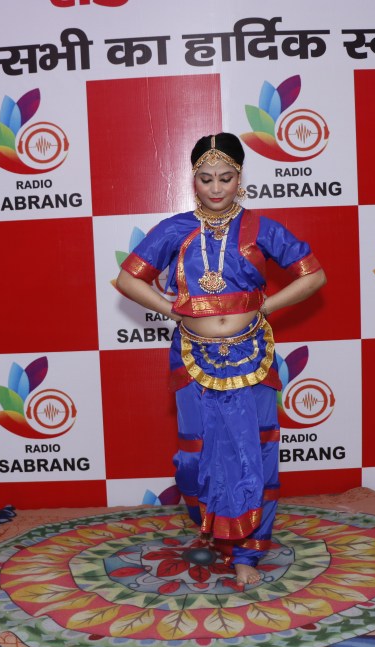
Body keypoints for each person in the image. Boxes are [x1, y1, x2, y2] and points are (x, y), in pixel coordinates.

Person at [116, 133, 326, 586]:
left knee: (253, 451)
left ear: (239, 178)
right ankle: (213, 529)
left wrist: (266, 307)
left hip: (252, 353)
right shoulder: (174, 229)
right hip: (193, 355)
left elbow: (314, 276)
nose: (216, 188)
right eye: (206, 178)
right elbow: (127, 279)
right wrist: (173, 309)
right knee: (196, 457)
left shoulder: (262, 229)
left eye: (225, 178)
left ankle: (248, 550)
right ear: (193, 179)